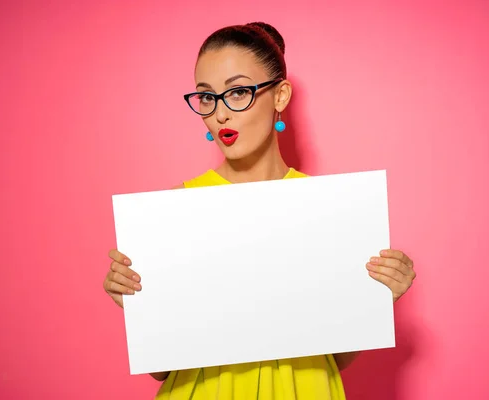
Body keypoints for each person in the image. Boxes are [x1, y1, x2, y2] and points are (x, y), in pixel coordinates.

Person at [103, 22, 416, 400]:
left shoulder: (328, 209)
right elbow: (162, 370)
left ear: (280, 95)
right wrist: (136, 304)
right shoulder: (174, 209)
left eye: (238, 92)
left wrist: (375, 298)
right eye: (207, 97)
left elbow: (334, 357)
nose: (220, 115)